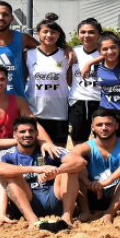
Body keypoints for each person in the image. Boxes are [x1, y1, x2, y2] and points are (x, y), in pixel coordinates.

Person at [0, 115, 85, 228]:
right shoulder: (8, 154)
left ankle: (66, 219)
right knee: (10, 174)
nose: (27, 134)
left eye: (31, 131)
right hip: (28, 202)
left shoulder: (49, 150)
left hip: (55, 198)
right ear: (15, 135)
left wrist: (57, 171)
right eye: (22, 132)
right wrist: (36, 169)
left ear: (36, 133)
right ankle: (33, 221)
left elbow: (80, 161)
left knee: (70, 169)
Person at [0, 64, 58, 151]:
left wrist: (47, 143)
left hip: (12, 155)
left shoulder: (19, 102)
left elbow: (34, 124)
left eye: (2, 79)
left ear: (7, 81)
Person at [69, 111, 120, 223]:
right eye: (99, 125)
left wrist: (107, 181)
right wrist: (88, 183)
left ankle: (110, 212)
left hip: (119, 195)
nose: (104, 128)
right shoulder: (84, 146)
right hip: (92, 192)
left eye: (108, 124)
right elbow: (72, 159)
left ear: (117, 126)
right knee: (74, 168)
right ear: (92, 127)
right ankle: (85, 211)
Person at [82, 32, 120, 143]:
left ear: (119, 47)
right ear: (99, 52)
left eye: (113, 47)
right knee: (107, 147)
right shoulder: (96, 68)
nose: (110, 52)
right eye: (105, 49)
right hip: (107, 113)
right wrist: (89, 63)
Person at [23, 13, 72, 147]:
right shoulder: (28, 54)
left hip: (59, 112)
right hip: (35, 111)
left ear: (59, 35)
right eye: (45, 32)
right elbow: (22, 79)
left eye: (53, 32)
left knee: (58, 152)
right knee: (35, 151)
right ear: (38, 34)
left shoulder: (67, 55)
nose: (49, 35)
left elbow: (71, 82)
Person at [68, 17, 102, 145]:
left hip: (101, 102)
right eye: (83, 32)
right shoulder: (73, 52)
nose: (86, 35)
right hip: (77, 102)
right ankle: (81, 164)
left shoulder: (105, 52)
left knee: (103, 139)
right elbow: (69, 78)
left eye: (91, 32)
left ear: (99, 34)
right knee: (78, 140)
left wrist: (91, 62)